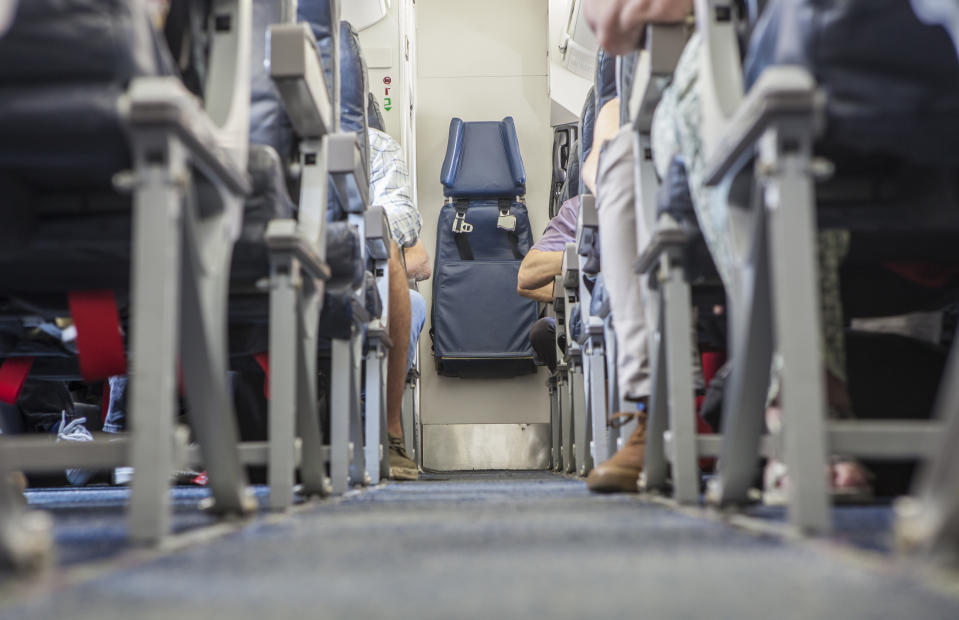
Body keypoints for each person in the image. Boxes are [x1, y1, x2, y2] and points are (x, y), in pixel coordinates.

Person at [367, 125, 430, 481]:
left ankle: (390, 430)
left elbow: (416, 251)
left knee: (388, 252)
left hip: (358, 258)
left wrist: (368, 228)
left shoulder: (374, 145)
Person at [517, 195, 581, 371]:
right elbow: (525, 278)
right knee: (543, 331)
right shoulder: (578, 209)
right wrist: (590, 255)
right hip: (597, 313)